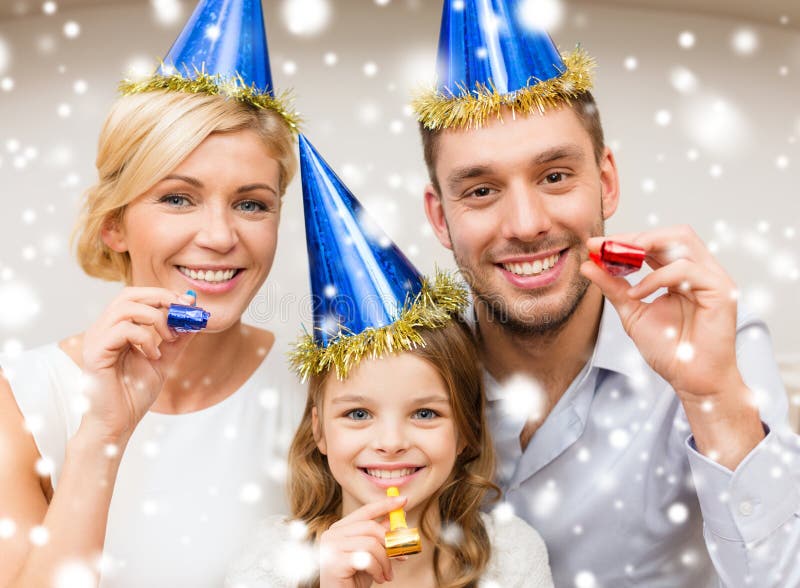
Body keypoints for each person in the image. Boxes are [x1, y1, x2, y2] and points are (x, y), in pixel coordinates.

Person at [414, 1, 800, 586]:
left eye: (554, 176)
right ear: (441, 219)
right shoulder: (404, 369)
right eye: (482, 190)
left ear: (608, 181)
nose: (525, 223)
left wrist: (714, 399)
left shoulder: (715, 343)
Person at [0, 1, 301, 586]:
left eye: (251, 203)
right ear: (114, 223)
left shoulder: (323, 394)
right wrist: (102, 435)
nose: (219, 236)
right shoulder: (21, 405)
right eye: (177, 198)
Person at [225, 135, 554, 587]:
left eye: (425, 413)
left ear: (465, 430)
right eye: (358, 413)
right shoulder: (272, 563)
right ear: (319, 429)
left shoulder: (511, 557)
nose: (391, 441)